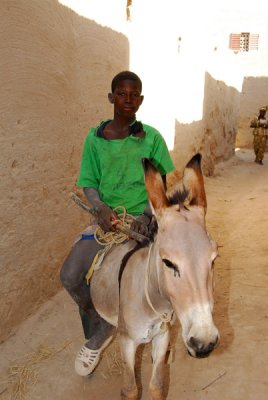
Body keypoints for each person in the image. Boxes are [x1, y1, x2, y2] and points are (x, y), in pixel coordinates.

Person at [60, 71, 175, 377]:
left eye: (134, 94)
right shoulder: (95, 139)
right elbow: (88, 183)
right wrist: (99, 207)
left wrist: (148, 217)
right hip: (108, 224)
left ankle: (164, 327)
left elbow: (161, 187)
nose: (128, 100)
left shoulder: (152, 138)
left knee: (171, 273)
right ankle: (102, 325)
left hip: (143, 222)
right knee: (70, 275)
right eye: (121, 94)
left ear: (140, 100)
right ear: (111, 98)